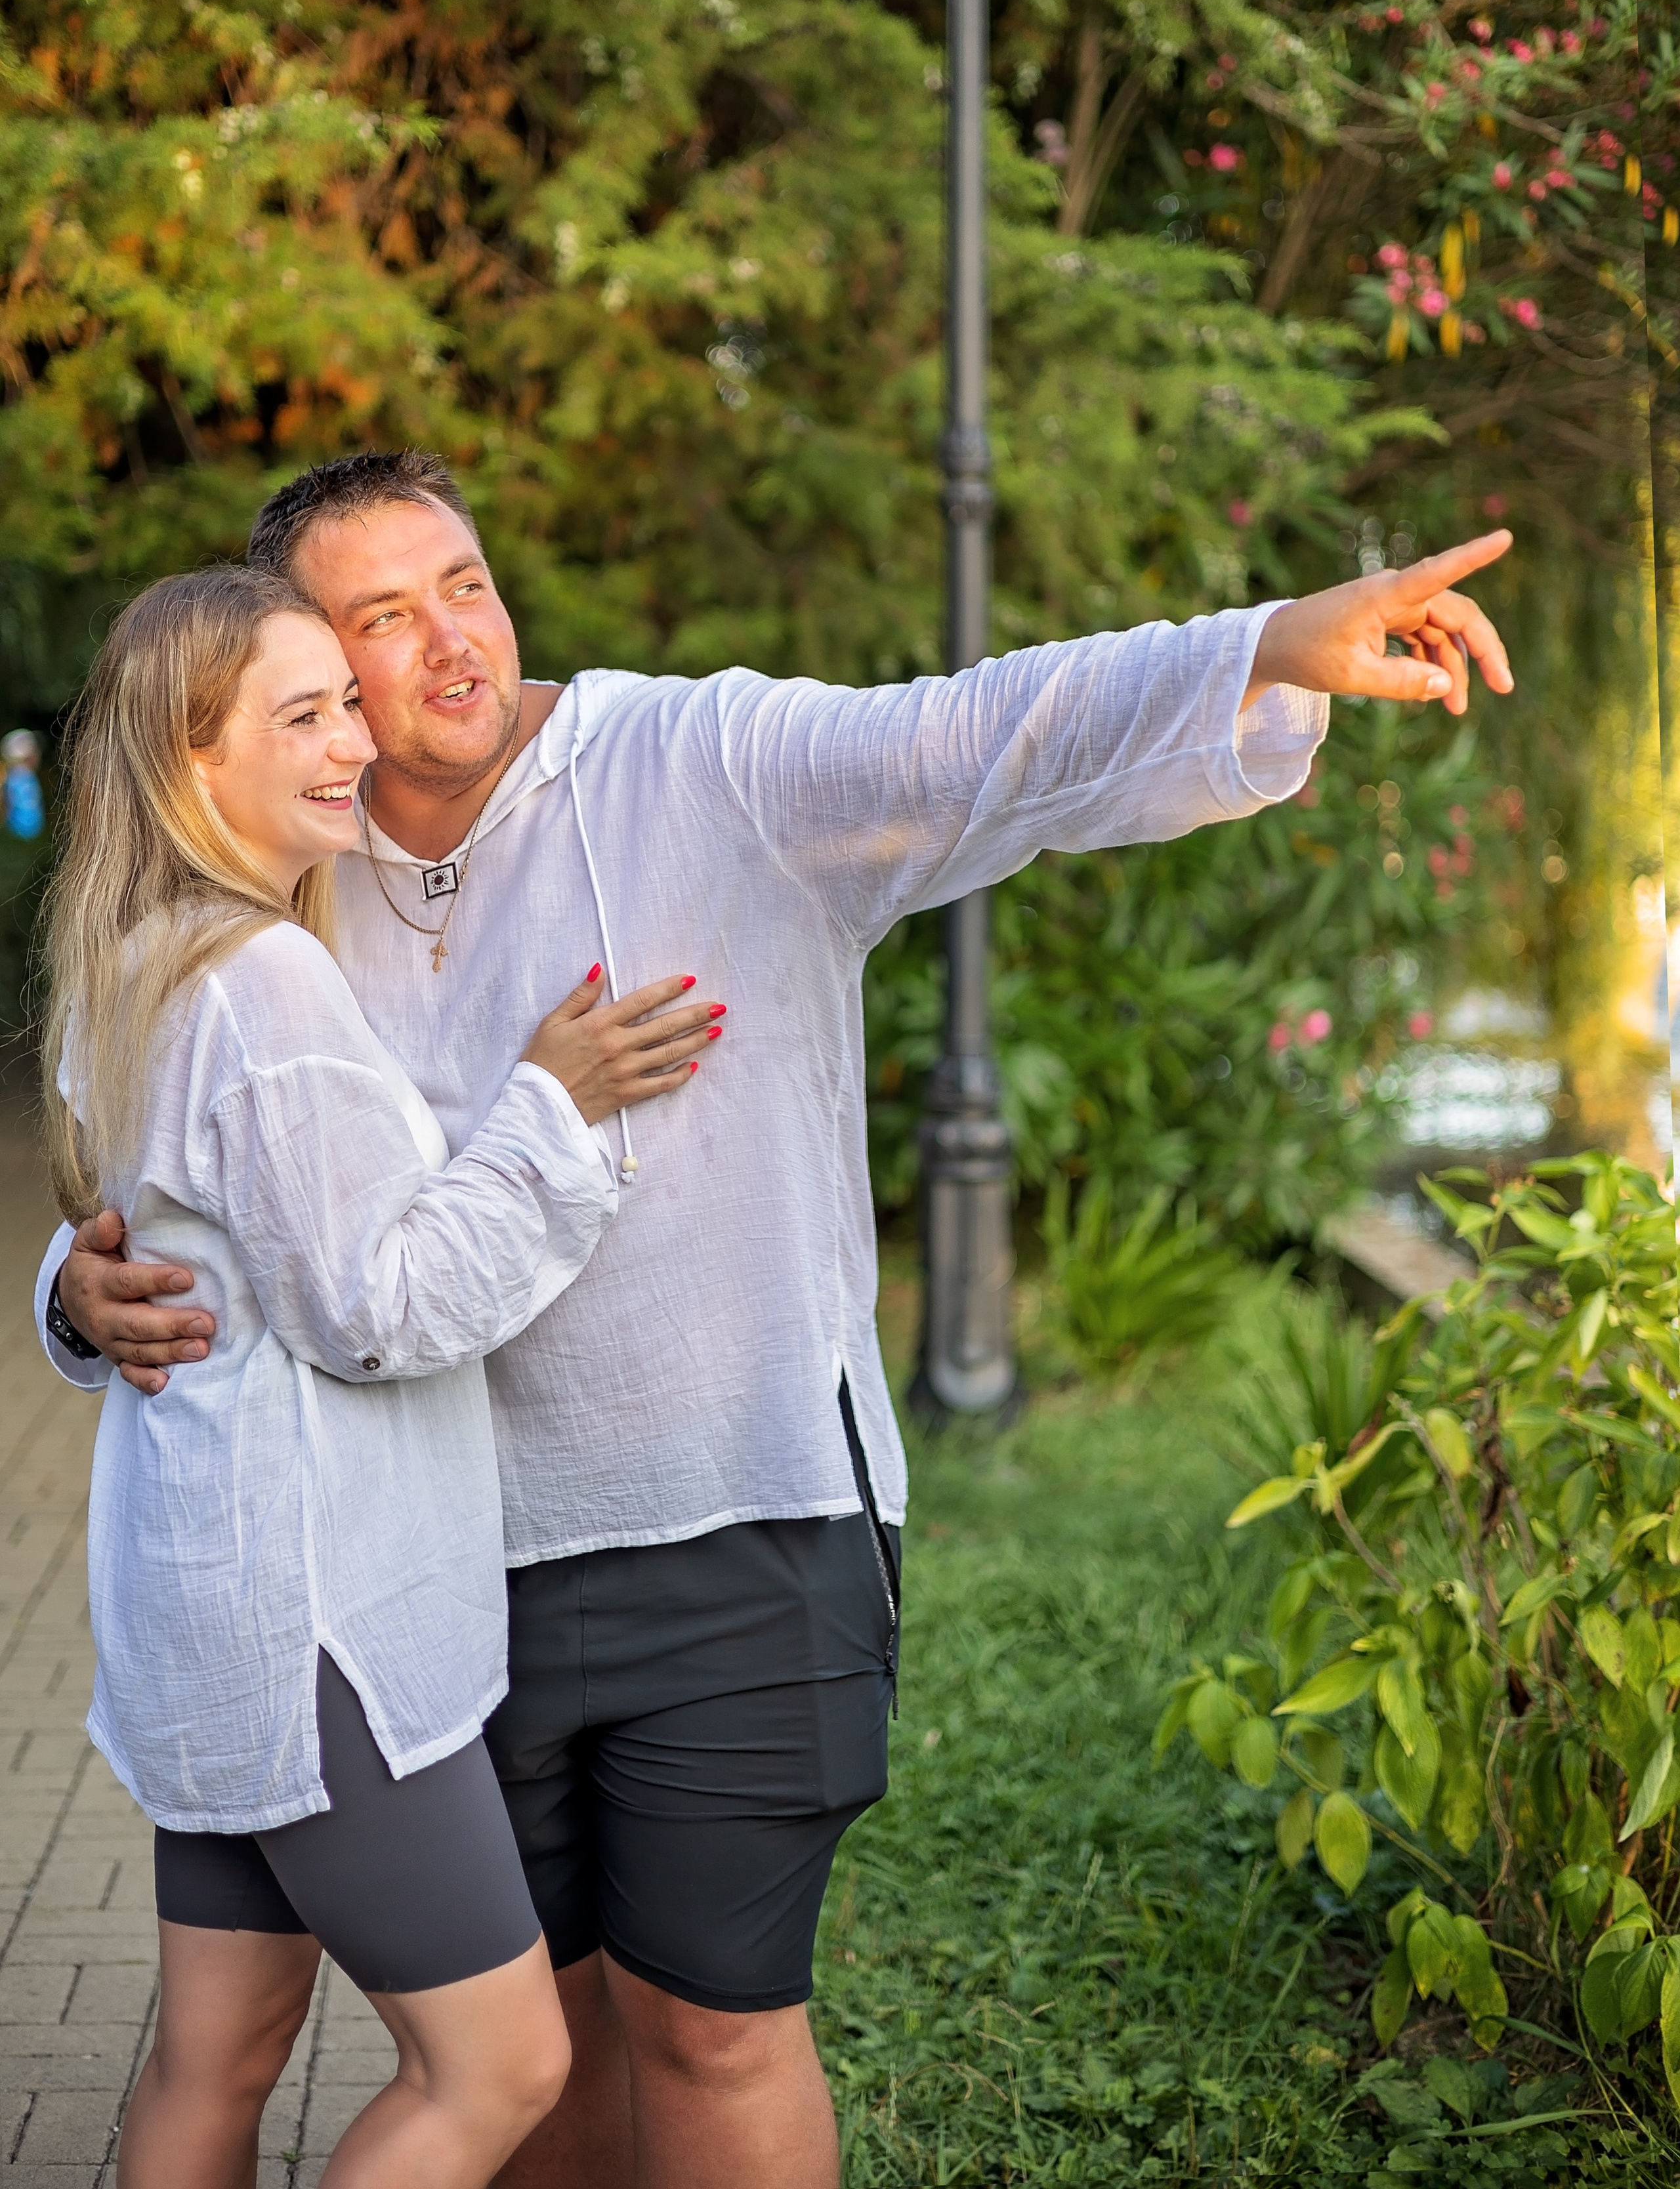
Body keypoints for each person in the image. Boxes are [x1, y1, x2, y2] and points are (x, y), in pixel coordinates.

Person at [42, 454, 1517, 2189]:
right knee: (542, 2054)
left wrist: (1266, 644)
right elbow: (205, 1171)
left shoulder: (703, 761)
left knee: (717, 2026)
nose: (454, 638)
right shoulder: (296, 864)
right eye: (382, 616)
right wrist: (76, 1296)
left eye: (467, 580)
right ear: (301, 663)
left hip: (738, 1522)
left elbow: (979, 731)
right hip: (431, 1569)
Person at [39, 565, 719, 2189]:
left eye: (345, 700)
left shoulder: (131, 957)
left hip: (210, 1608)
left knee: (215, 2060)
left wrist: (71, 1300)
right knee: (499, 2066)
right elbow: (379, 1307)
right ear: (191, 761)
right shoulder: (263, 984)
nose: (351, 740)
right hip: (318, 1626)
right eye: (301, 714)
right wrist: (549, 1110)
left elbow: (153, 1242)